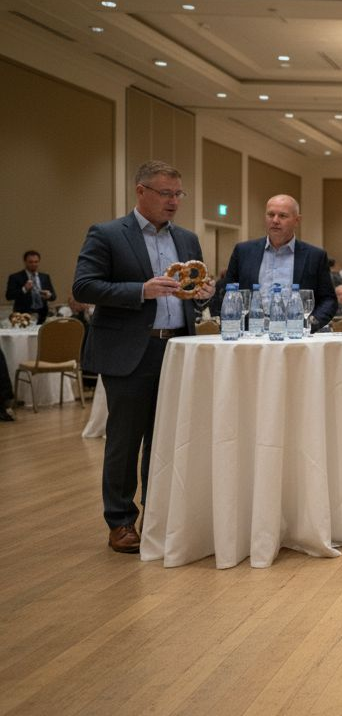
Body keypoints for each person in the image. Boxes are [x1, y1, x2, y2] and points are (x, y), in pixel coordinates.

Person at [72, 160, 215, 554]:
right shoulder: (107, 234)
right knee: (125, 439)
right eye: (165, 194)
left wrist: (203, 295)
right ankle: (120, 521)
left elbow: (193, 288)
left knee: (167, 438)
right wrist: (140, 290)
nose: (173, 202)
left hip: (178, 348)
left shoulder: (186, 239)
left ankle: (158, 511)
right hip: (130, 350)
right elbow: (84, 286)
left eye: (178, 194)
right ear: (141, 192)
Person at [212, 194, 337, 329]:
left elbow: (328, 300)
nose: (275, 220)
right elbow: (225, 293)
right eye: (271, 215)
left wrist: (310, 323)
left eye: (282, 216)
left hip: (295, 336)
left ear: (297, 220)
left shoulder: (315, 256)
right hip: (251, 335)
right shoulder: (243, 251)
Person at [7, 250, 55, 324]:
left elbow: (54, 296)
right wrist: (24, 289)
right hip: (23, 316)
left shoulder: (45, 277)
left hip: (43, 314)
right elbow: (9, 296)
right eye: (31, 262)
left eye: (36, 262)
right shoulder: (15, 277)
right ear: (25, 262)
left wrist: (48, 295)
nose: (33, 264)